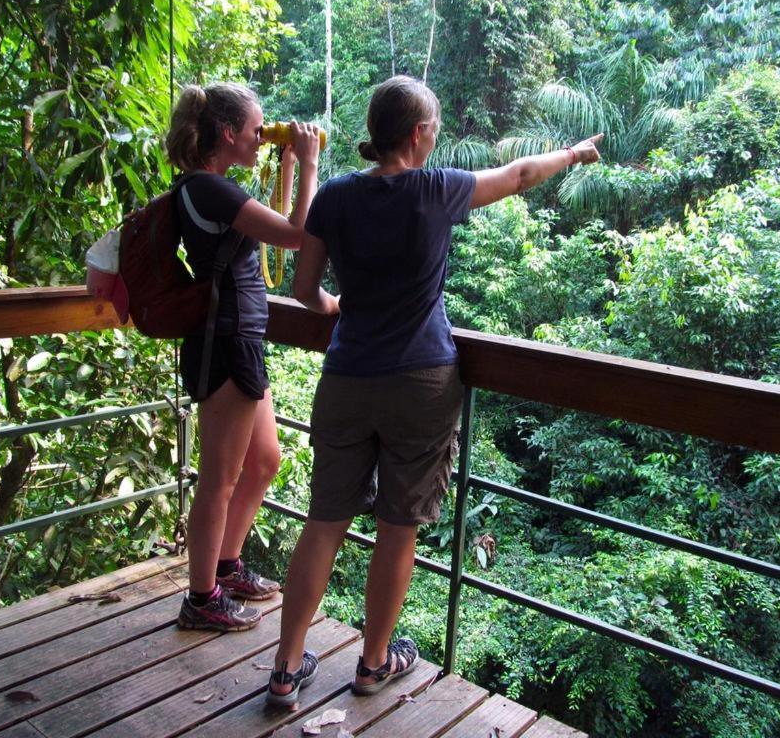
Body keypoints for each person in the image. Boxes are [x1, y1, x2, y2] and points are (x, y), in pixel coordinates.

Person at [265, 75, 603, 704]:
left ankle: (285, 670)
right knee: (398, 526)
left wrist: (340, 305)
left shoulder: (335, 196)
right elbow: (523, 173)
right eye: (436, 130)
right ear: (419, 134)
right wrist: (574, 154)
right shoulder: (435, 190)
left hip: (346, 377)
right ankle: (371, 664)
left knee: (324, 521)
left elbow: (303, 294)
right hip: (421, 382)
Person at [165, 82, 322, 631]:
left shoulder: (209, 189)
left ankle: (226, 566)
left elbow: (263, 225)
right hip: (225, 339)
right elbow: (299, 235)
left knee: (263, 461)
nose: (261, 136)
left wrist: (281, 163)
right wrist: (306, 165)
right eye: (256, 129)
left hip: (238, 339)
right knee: (219, 478)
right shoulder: (211, 191)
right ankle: (201, 597)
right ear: (228, 134)